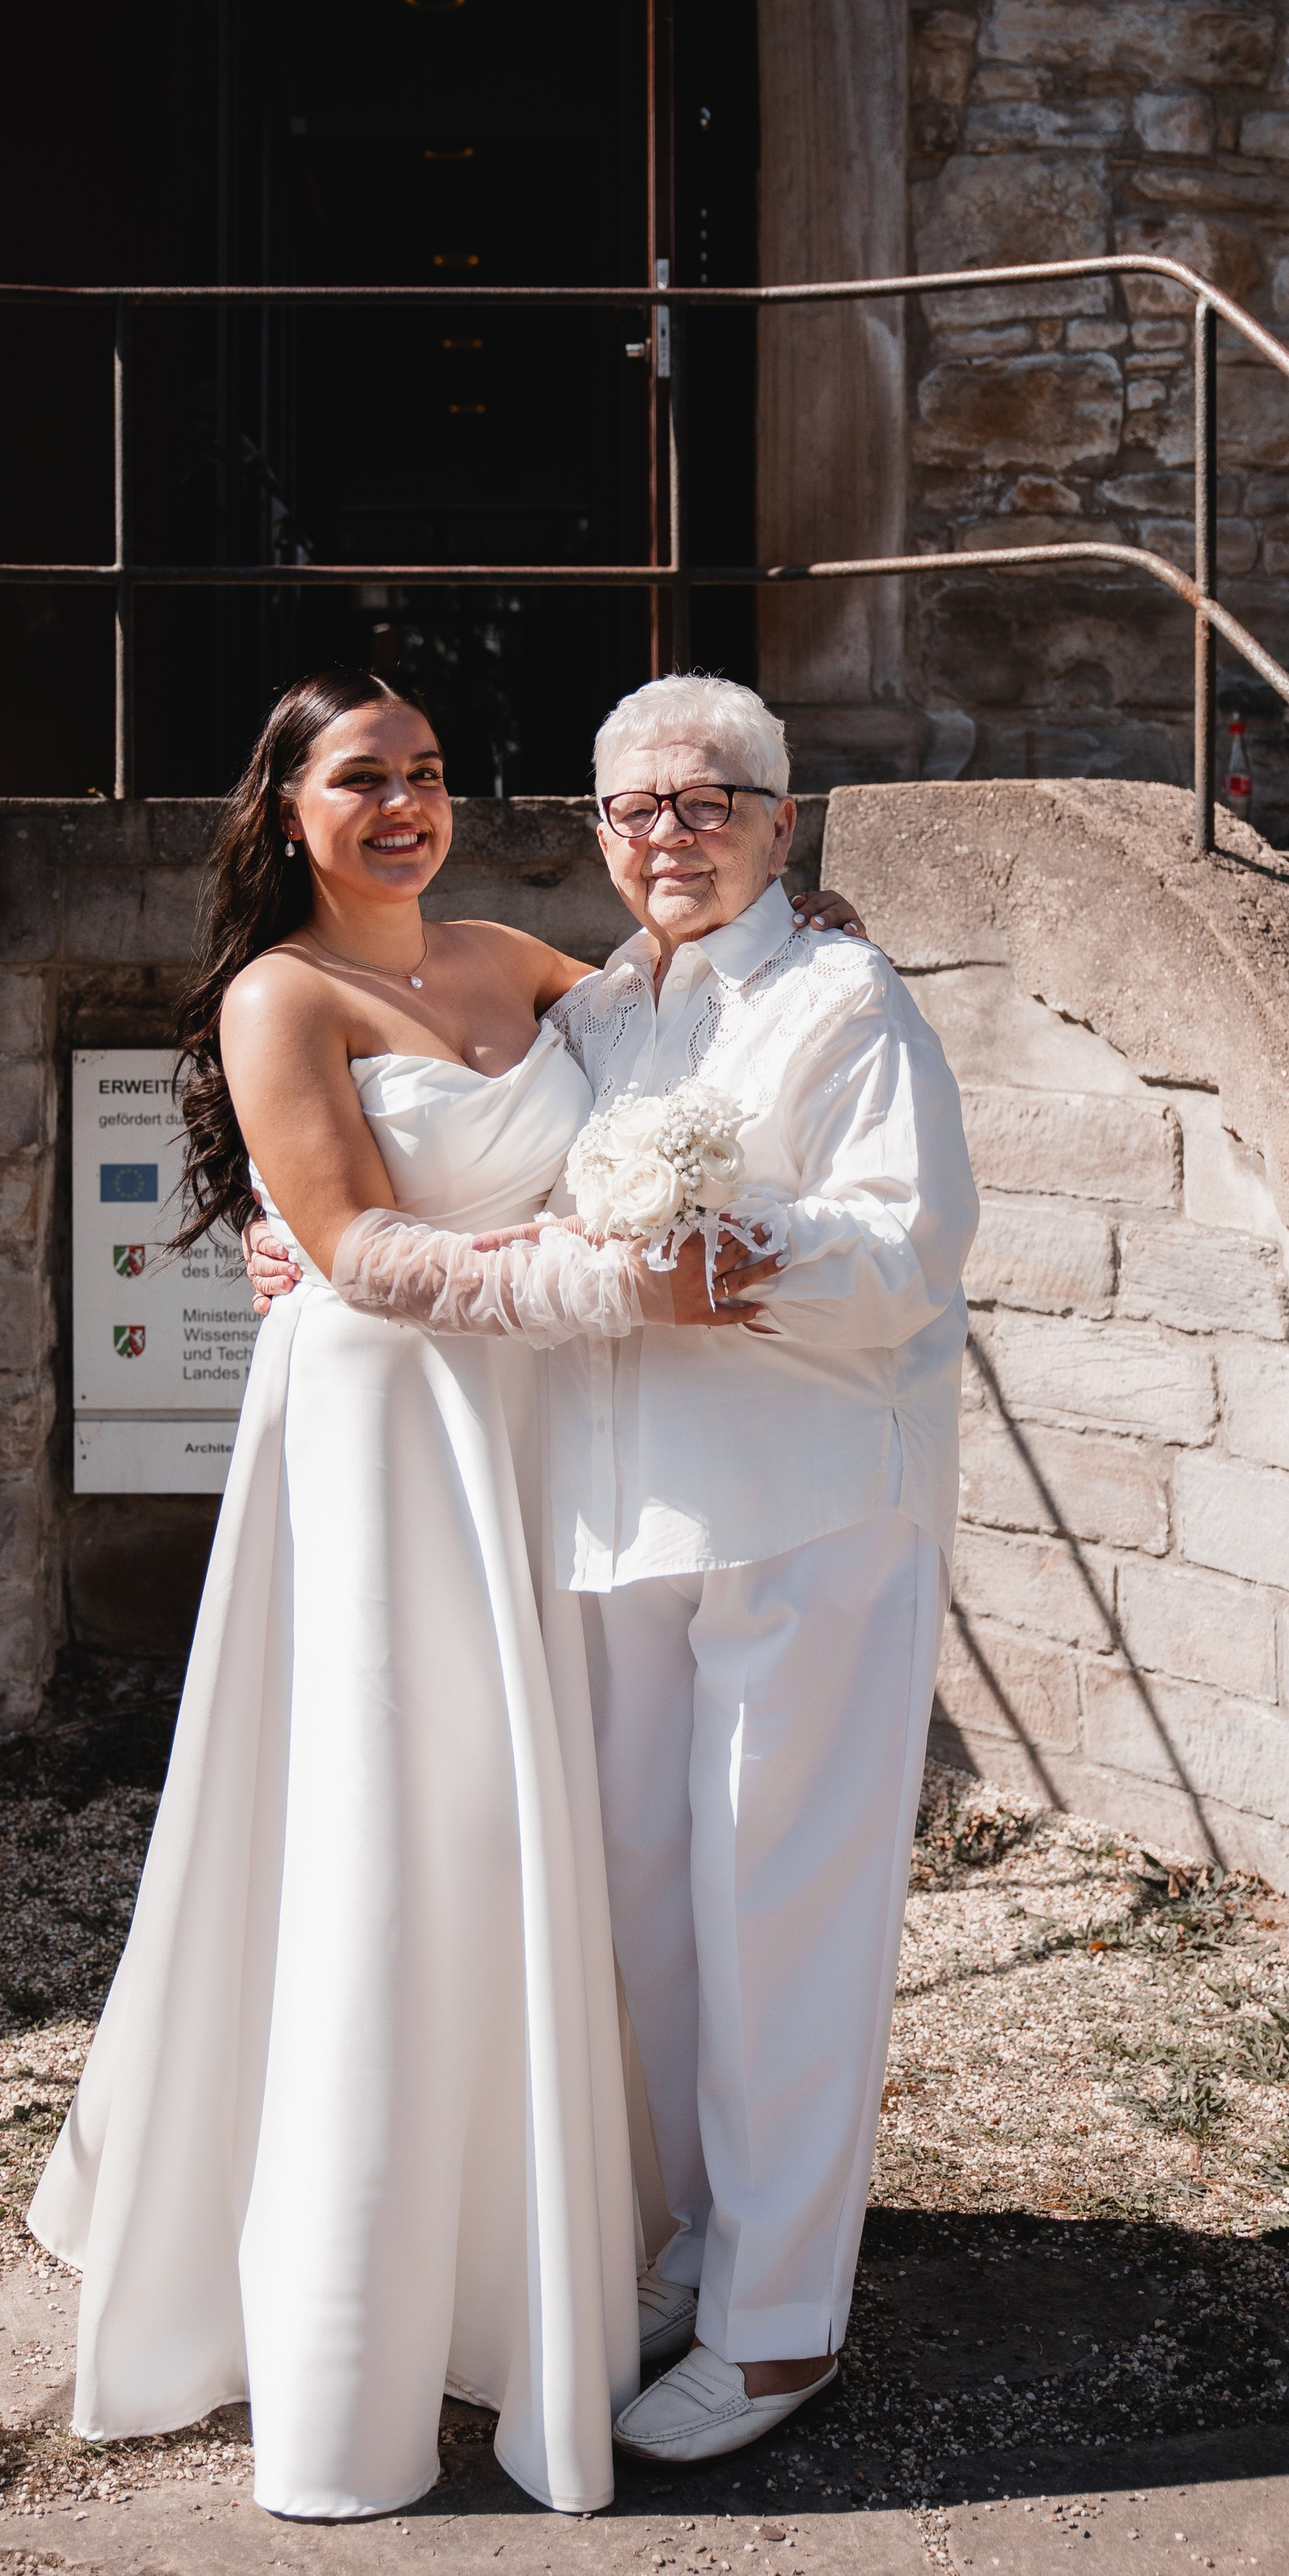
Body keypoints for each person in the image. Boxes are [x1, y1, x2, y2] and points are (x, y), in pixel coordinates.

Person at [28, 668, 861, 2522]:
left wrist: (812, 932)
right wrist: (606, 1290)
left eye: (421, 773)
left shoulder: (512, 959)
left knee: (540, 1826)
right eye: (358, 779)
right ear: (286, 809)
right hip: (395, 1433)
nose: (402, 804)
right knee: (400, 1838)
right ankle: (365, 2314)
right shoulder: (279, 996)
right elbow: (363, 1250)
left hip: (538, 1445)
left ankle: (539, 2238)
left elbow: (688, 1029)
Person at [253, 673, 976, 2468]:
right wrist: (298, 1244)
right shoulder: (610, 1005)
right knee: (646, 1919)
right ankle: (682, 2246)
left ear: (777, 821)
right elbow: (436, 1171)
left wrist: (719, 1248)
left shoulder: (842, 997)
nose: (670, 835)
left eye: (709, 802)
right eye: (635, 809)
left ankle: (778, 2320)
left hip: (802, 1506)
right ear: (596, 831)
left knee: (780, 1923)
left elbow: (909, 1247)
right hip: (613, 1515)